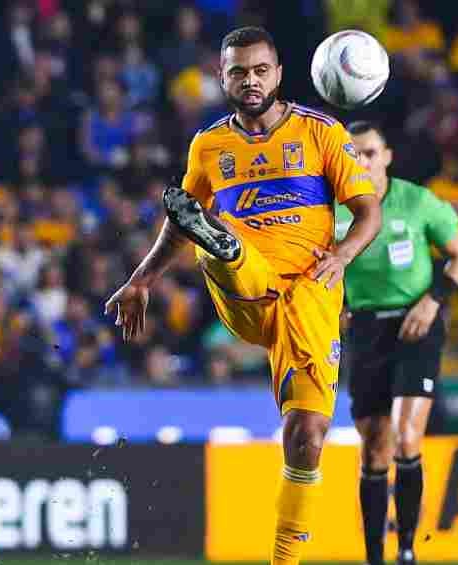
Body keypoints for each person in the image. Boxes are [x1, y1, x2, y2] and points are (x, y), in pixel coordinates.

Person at [105, 26, 381, 565]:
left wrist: (343, 255)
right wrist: (142, 278)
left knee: (308, 433)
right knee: (221, 248)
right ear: (222, 77)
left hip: (311, 296)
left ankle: (283, 561)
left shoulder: (322, 132)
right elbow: (175, 222)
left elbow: (368, 211)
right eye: (238, 71)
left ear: (278, 74)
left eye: (259, 70)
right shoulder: (210, 145)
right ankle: (223, 244)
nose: (249, 81)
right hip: (246, 291)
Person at [337, 121, 458, 565]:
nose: (362, 161)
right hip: (364, 328)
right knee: (373, 443)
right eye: (353, 154)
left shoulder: (416, 201)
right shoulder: (334, 209)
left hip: (415, 324)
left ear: (387, 156)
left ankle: (408, 549)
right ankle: (375, 555)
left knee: (405, 434)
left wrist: (434, 301)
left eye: (370, 153)